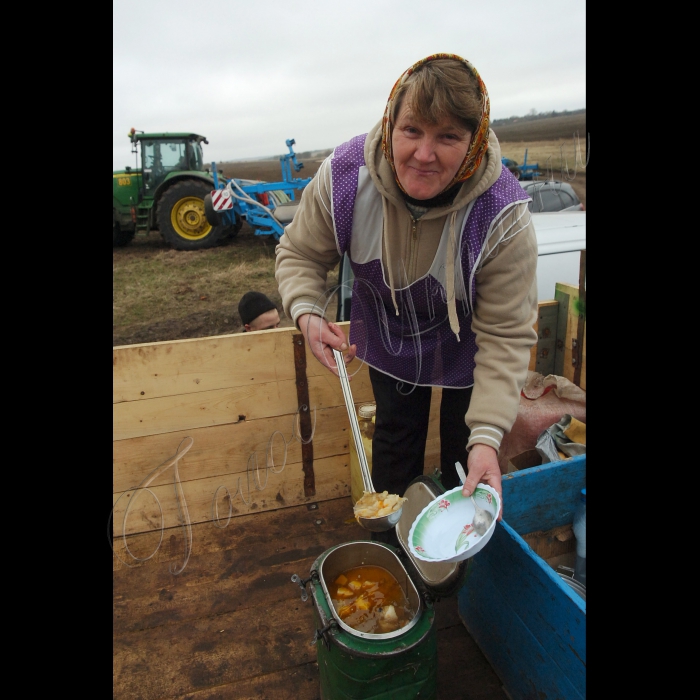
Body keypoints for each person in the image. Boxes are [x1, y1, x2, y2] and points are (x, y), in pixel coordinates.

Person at [274, 54, 538, 529]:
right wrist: (308, 311)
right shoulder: (345, 179)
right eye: (412, 130)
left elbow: (506, 333)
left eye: (449, 137)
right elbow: (300, 254)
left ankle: (457, 563)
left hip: (472, 347)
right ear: (390, 122)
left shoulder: (502, 213)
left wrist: (488, 438)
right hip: (388, 336)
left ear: (474, 142)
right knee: (395, 441)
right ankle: (394, 549)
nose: (423, 153)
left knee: (467, 457)